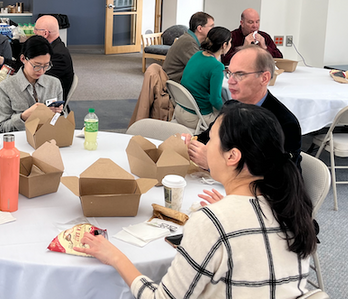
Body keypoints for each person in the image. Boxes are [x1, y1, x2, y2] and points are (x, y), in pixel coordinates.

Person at [75, 103, 316, 299]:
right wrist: (226, 209)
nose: (204, 145)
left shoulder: (212, 222)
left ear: (232, 156)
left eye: (210, 140)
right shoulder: (289, 205)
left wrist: (115, 256)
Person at [187, 45, 302, 170]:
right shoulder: (231, 106)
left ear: (264, 78)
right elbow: (206, 137)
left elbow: (279, 178)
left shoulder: (284, 123)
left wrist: (213, 164)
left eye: (239, 74)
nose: (230, 81)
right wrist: (191, 144)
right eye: (229, 73)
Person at [0, 14, 75, 108]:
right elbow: (25, 67)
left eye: (36, 30)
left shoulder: (59, 56)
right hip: (33, 92)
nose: (34, 32)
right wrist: (2, 60)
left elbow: (37, 82)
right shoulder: (47, 48)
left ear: (45, 33)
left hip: (41, 101)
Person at [0, 36, 63, 132]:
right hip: (20, 140)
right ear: (23, 59)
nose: (41, 70)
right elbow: (3, 127)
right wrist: (24, 116)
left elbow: (60, 120)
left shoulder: (54, 84)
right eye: (36, 65)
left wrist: (57, 114)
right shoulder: (5, 87)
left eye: (46, 66)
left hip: (48, 137)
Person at [176, 26, 231, 130]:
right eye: (230, 42)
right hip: (196, 117)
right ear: (224, 45)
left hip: (180, 109)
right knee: (232, 122)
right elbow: (215, 100)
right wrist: (228, 112)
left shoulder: (197, 55)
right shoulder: (217, 66)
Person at [163, 12, 215, 83]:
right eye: (211, 26)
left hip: (179, 80)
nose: (213, 29)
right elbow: (202, 69)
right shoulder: (189, 43)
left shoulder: (192, 39)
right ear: (200, 28)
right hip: (176, 83)